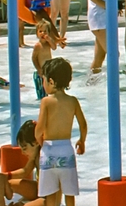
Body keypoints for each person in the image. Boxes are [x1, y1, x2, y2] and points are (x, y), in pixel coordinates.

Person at [36, 58, 86, 206]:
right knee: (69, 193)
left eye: (43, 80)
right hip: (66, 150)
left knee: (50, 194)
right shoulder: (73, 101)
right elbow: (83, 125)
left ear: (51, 81)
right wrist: (82, 141)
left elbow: (39, 129)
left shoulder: (46, 102)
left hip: (49, 150)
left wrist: (40, 142)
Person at [8, 120, 43, 205]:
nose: (23, 153)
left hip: (47, 197)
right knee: (7, 183)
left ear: (36, 142)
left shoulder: (44, 158)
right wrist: (5, 176)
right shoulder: (34, 157)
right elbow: (25, 171)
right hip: (37, 191)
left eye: (24, 148)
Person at [32, 19, 59, 101]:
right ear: (37, 33)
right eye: (40, 31)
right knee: (42, 93)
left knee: (51, 90)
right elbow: (34, 58)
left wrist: (49, 39)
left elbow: (54, 47)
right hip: (41, 71)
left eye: (45, 31)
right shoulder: (38, 46)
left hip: (49, 71)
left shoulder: (48, 44)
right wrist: (38, 69)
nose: (43, 33)